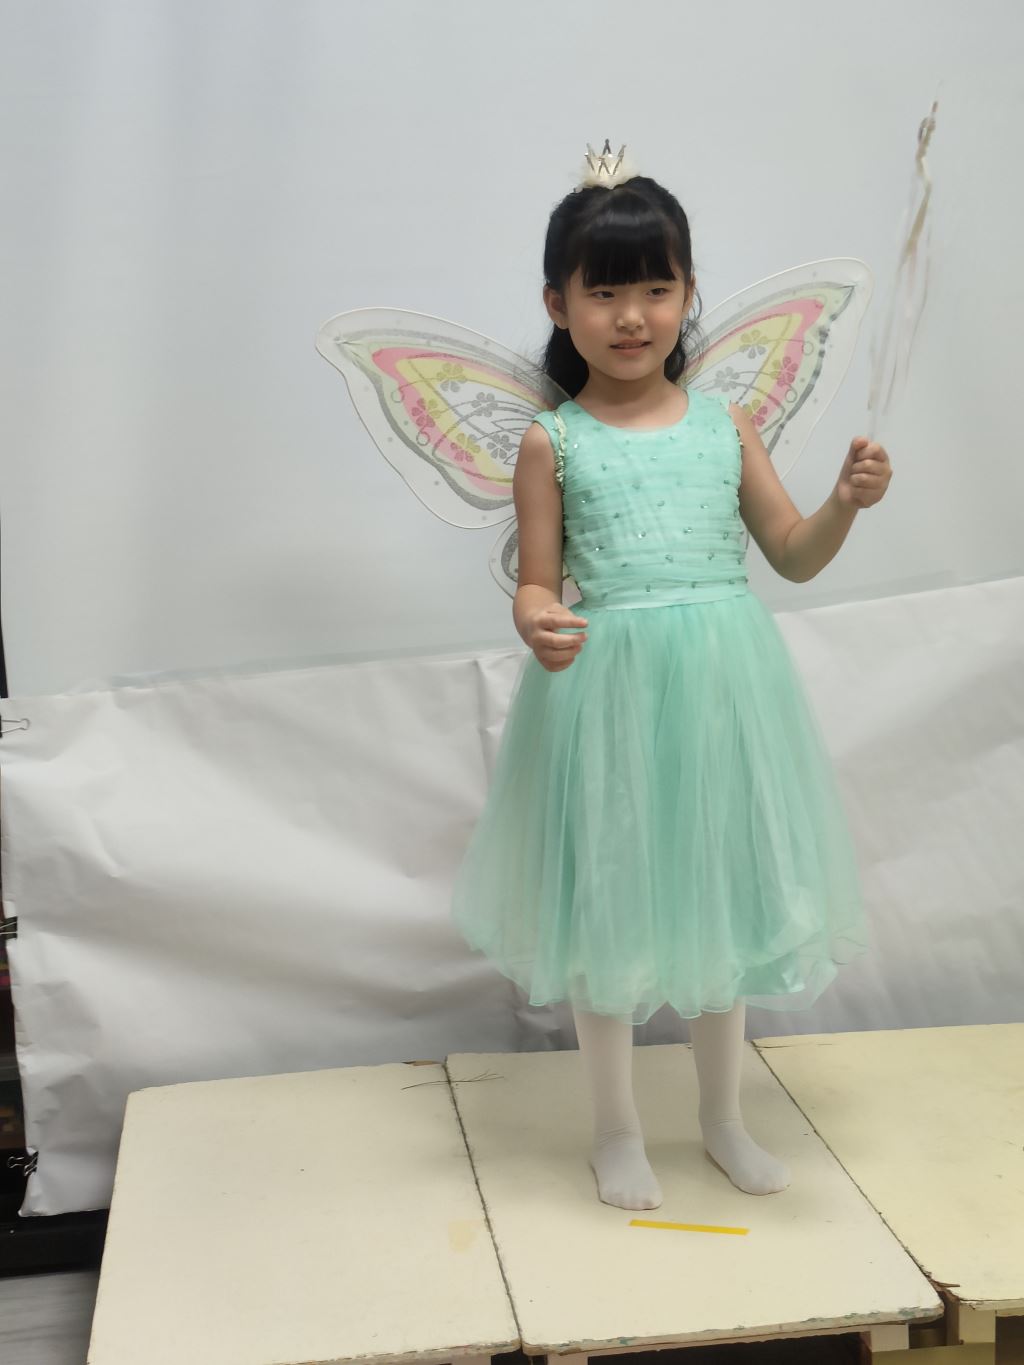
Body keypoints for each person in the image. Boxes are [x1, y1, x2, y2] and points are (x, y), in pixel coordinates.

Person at [450, 145, 892, 1211]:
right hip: (605, 696)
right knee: (608, 904)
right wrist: (537, 616)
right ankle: (615, 1130)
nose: (632, 315)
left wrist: (842, 504)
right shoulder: (552, 442)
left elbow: (790, 553)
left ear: (689, 291)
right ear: (558, 304)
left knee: (717, 902)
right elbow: (537, 581)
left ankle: (723, 1118)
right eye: (604, 292)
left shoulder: (724, 425)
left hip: (722, 690)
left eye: (655, 287)